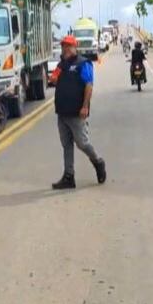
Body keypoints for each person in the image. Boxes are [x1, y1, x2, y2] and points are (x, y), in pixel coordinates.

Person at [48, 35, 106, 189]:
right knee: (66, 145)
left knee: (82, 143)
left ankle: (98, 162)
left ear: (75, 47)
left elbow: (88, 85)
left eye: (68, 46)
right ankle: (69, 176)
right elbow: (53, 80)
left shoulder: (83, 63)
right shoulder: (62, 65)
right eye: (63, 46)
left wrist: (85, 106)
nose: (65, 49)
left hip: (77, 112)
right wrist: (55, 76)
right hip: (62, 112)